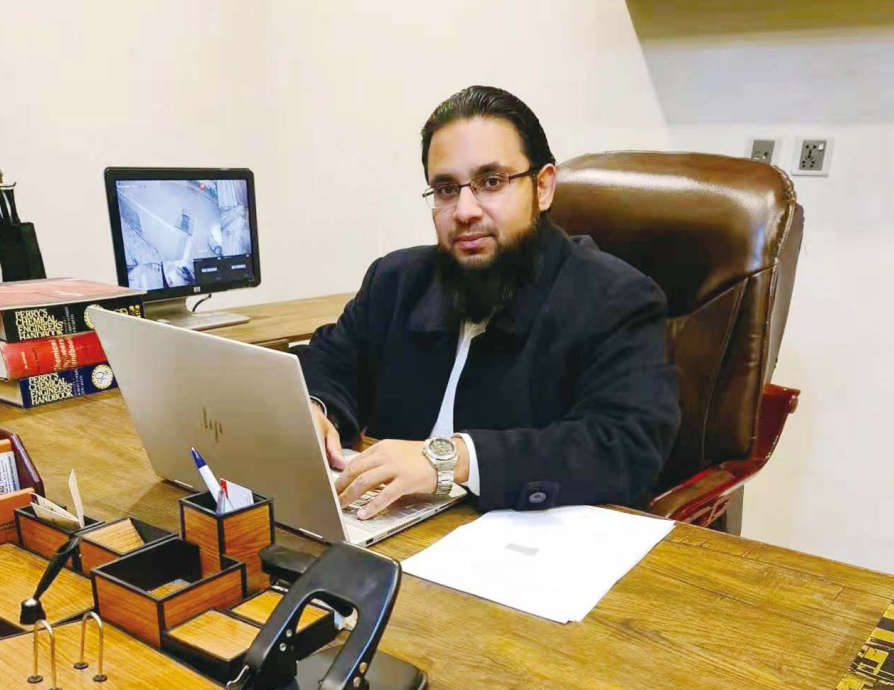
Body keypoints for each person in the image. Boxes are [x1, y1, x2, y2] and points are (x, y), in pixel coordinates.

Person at [295, 85, 679, 520]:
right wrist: (314, 407)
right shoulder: (396, 280)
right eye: (445, 189)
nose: (465, 211)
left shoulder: (618, 298)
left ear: (543, 187)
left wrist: (452, 459)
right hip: (387, 527)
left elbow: (625, 447)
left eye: (491, 182)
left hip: (526, 542)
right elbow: (329, 362)